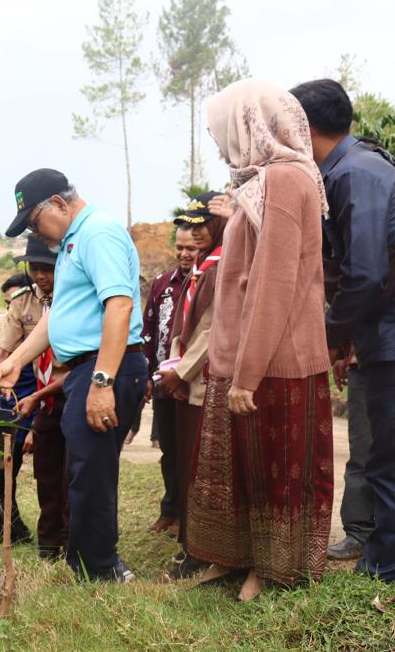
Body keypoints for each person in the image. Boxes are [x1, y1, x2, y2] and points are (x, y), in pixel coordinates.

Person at [186, 79, 333, 602]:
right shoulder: (259, 182)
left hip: (275, 360)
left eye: (218, 129)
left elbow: (274, 283)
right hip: (241, 354)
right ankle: (237, 559)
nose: (216, 140)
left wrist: (247, 374)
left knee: (276, 474)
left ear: (248, 124)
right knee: (241, 471)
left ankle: (275, 570)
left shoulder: (286, 180)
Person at [0, 168, 147, 582]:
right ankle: (84, 562)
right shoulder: (74, 242)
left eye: (36, 222)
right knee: (83, 469)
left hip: (105, 365)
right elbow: (59, 316)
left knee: (90, 471)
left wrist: (103, 382)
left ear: (58, 203)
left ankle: (102, 567)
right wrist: (15, 360)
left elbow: (119, 307)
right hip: (85, 368)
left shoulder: (98, 234)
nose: (38, 233)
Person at [291, 78, 395, 573]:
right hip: (379, 336)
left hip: (390, 338)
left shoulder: (356, 173)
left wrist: (328, 334)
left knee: (386, 456)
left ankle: (384, 566)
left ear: (304, 127)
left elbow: (367, 272)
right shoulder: (347, 170)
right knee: (379, 451)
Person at [156, 194, 226, 579]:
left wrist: (181, 372)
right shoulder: (200, 268)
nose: (195, 234)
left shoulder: (219, 267)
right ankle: (192, 544)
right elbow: (181, 328)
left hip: (203, 381)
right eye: (188, 226)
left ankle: (199, 549)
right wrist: (175, 370)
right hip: (185, 379)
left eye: (201, 226)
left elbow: (212, 329)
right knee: (186, 464)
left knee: (200, 470)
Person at [0, 236, 67, 558]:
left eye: (46, 268)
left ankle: (77, 539)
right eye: (34, 268)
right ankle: (50, 545)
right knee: (47, 474)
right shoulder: (22, 303)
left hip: (74, 388)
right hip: (43, 398)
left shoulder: (74, 297)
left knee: (74, 473)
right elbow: (3, 351)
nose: (40, 275)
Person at [141, 225, 199, 535]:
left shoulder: (206, 282)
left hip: (194, 381)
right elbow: (149, 330)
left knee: (192, 450)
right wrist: (150, 375)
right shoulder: (163, 284)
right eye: (179, 247)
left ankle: (188, 517)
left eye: (190, 248)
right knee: (170, 449)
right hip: (165, 380)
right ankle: (170, 510)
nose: (184, 253)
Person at [0, 271, 41, 545]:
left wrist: (34, 429)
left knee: (6, 475)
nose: (13, 310)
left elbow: (43, 385)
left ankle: (12, 529)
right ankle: (6, 528)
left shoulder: (37, 344)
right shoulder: (4, 343)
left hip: (24, 418)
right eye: (8, 305)